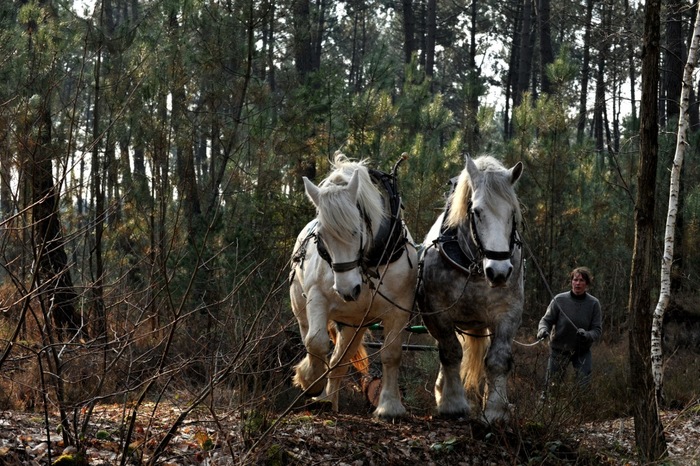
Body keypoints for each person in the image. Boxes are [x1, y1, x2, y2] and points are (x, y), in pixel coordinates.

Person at [537, 267, 602, 393]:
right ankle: (547, 410)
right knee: (551, 387)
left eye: (581, 280)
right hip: (559, 350)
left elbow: (597, 330)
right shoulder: (559, 300)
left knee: (583, 388)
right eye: (575, 280)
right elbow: (546, 320)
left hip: (582, 351)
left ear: (587, 284)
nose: (578, 283)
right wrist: (543, 330)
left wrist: (587, 334)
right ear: (571, 282)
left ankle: (581, 411)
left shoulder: (594, 303)